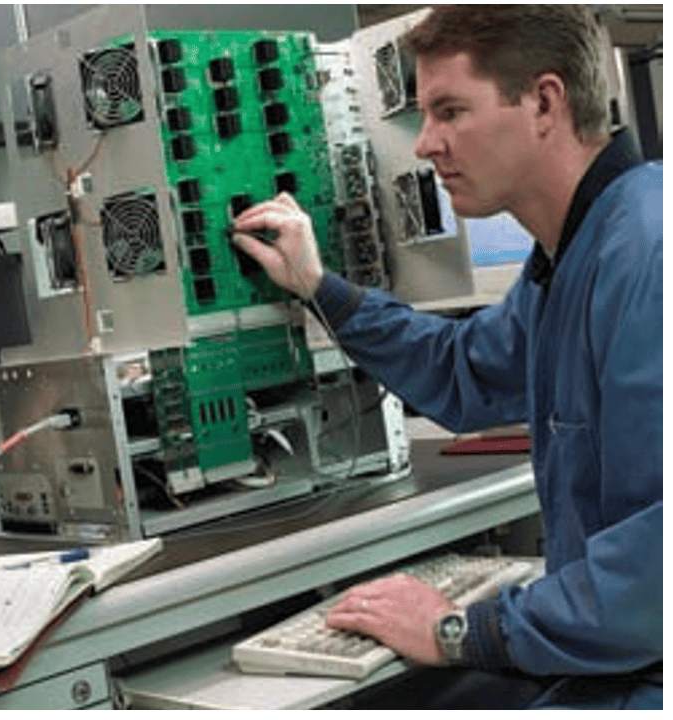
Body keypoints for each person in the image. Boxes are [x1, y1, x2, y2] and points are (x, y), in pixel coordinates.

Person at [232, 5, 661, 710]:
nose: (426, 144)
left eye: (450, 111)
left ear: (544, 102)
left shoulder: (647, 255)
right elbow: (466, 372)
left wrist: (459, 630)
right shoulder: (575, 254)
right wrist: (320, 288)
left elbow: (655, 578)